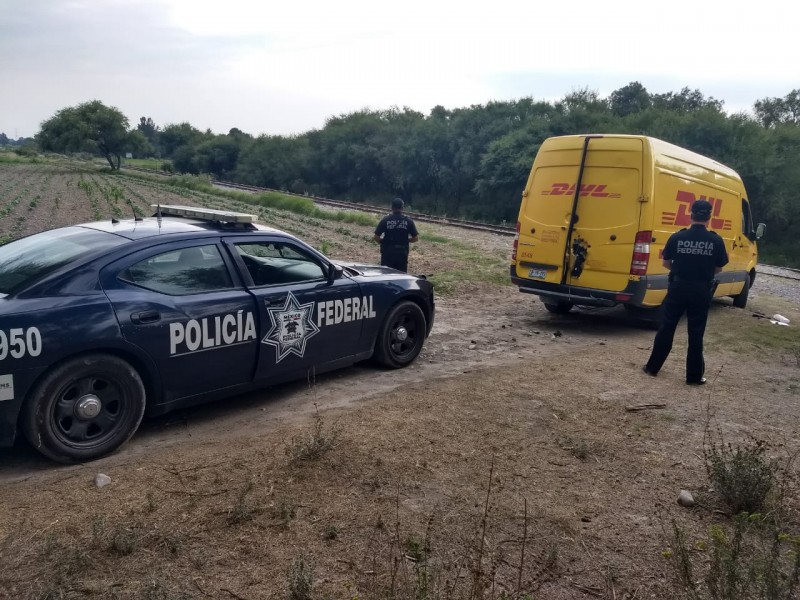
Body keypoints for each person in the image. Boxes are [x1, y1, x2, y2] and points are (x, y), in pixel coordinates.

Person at [643, 199, 729, 385]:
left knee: (667, 327)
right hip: (701, 289)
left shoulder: (677, 237)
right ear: (709, 217)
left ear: (691, 215)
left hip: (678, 287)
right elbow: (719, 267)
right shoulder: (715, 240)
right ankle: (694, 377)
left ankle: (652, 367)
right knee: (696, 333)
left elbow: (666, 263)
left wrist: (681, 270)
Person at [373, 197, 419, 272]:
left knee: (385, 275)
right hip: (402, 253)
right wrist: (406, 240)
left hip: (387, 252)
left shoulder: (385, 220)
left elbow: (376, 237)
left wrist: (383, 241)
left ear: (392, 207)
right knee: (400, 276)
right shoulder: (408, 221)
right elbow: (415, 238)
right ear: (402, 208)